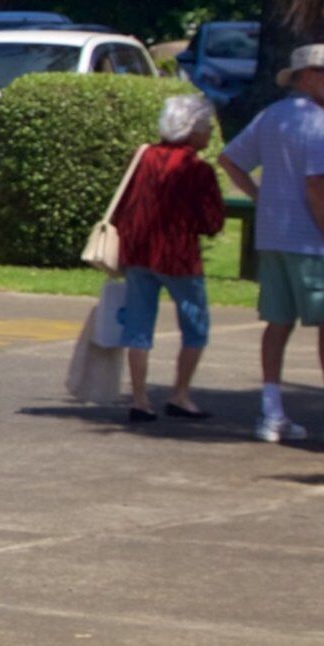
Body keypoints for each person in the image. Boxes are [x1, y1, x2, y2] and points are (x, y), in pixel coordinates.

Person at [217, 44, 324, 447]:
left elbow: (230, 159)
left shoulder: (271, 115)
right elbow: (315, 187)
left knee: (278, 323)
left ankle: (272, 413)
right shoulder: (316, 121)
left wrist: (260, 197)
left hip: (273, 235)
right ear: (306, 76)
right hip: (306, 239)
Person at [110, 93, 228, 423]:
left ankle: (139, 399)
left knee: (138, 327)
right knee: (195, 326)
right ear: (192, 129)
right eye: (206, 126)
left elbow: (125, 205)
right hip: (179, 256)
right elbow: (212, 222)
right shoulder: (197, 169)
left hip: (138, 252)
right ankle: (180, 394)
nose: (209, 133)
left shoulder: (143, 156)